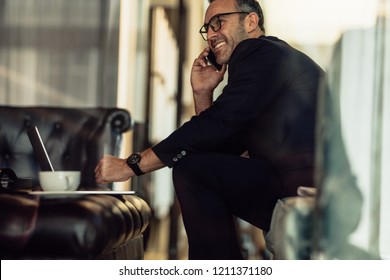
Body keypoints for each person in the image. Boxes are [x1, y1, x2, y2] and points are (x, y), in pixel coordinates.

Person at [95, 0, 324, 260]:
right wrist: (202, 93)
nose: (212, 34)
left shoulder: (259, 52)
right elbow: (220, 145)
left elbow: (216, 128)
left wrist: (131, 165)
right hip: (292, 183)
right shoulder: (268, 62)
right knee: (196, 167)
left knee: (191, 170)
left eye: (219, 23)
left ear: (250, 23)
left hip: (305, 188)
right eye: (207, 28)